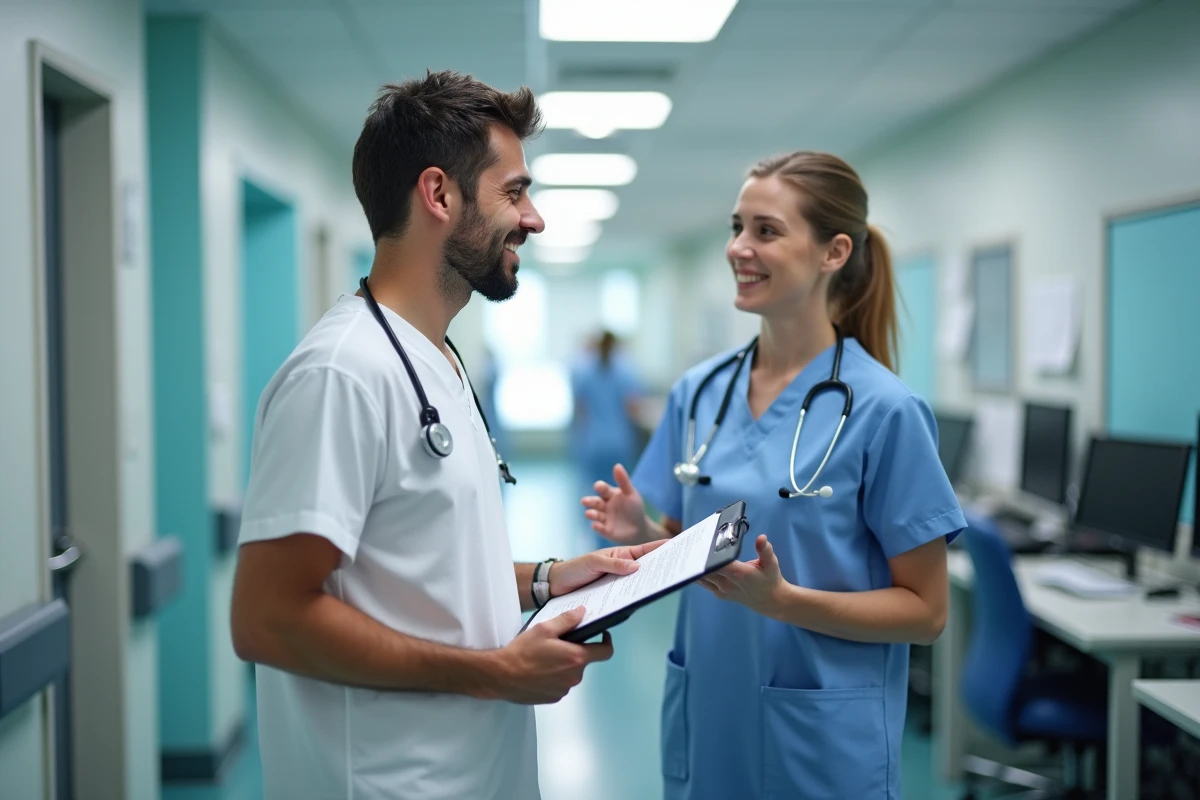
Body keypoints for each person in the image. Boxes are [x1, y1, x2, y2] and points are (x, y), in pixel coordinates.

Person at [230, 71, 663, 800]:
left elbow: (419, 569)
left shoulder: (435, 358)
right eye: (515, 192)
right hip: (384, 780)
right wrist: (494, 672)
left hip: (469, 771)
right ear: (439, 195)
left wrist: (552, 578)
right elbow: (268, 619)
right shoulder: (341, 374)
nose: (534, 220)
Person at [583, 151, 965, 799]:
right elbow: (696, 544)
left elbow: (926, 612)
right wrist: (644, 526)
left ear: (833, 252)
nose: (738, 248)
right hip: (710, 714)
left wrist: (785, 603)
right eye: (737, 227)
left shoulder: (885, 411)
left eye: (766, 231)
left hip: (819, 738)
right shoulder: (699, 393)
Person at [570, 329, 645, 540]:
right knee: (619, 495)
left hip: (593, 442)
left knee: (596, 497)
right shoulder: (626, 371)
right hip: (619, 442)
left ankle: (599, 543)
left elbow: (581, 410)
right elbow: (633, 408)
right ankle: (617, 544)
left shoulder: (585, 372)